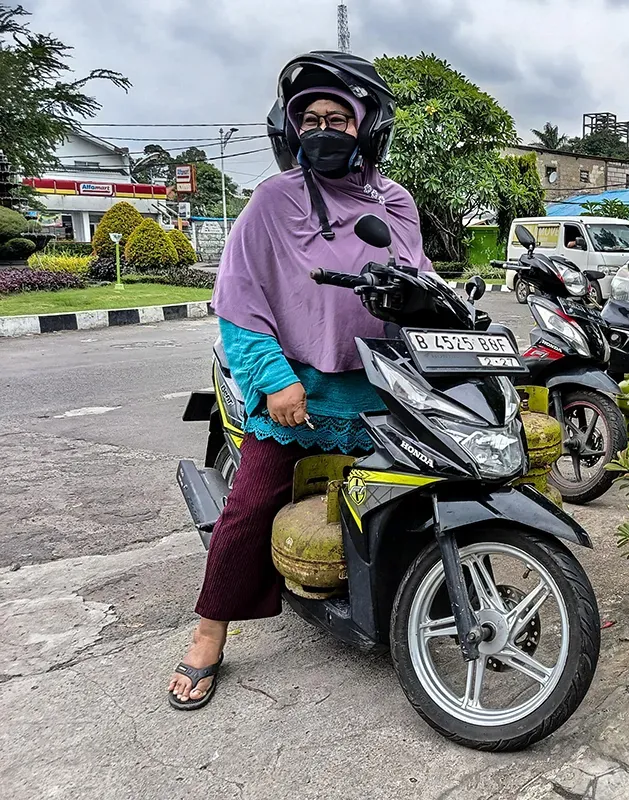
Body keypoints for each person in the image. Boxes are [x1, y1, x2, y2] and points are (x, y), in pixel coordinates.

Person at [167, 51, 432, 710]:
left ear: (366, 125)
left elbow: (421, 280)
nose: (322, 128)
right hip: (297, 392)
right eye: (309, 117)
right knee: (251, 504)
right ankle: (208, 632)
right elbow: (238, 302)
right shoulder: (273, 200)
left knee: (424, 487)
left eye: (337, 118)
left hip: (383, 383)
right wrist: (275, 381)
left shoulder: (394, 201)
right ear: (290, 129)